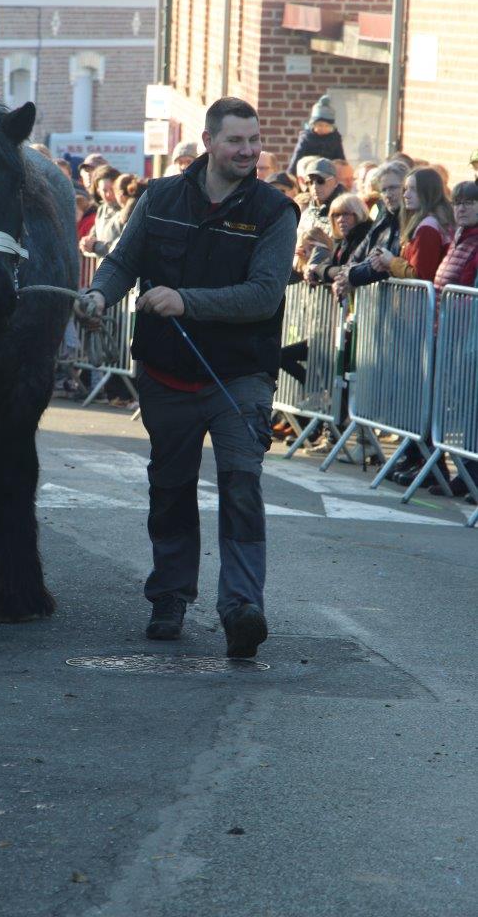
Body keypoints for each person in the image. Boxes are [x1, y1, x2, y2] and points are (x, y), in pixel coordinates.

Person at [75, 96, 298, 659]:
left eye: (254, 140)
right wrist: (100, 293)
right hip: (166, 373)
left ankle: (242, 608)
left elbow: (264, 294)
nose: (247, 151)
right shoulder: (161, 197)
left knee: (241, 484)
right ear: (209, 143)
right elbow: (124, 262)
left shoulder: (275, 211)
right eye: (235, 141)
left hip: (240, 376)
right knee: (170, 488)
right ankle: (169, 597)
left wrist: (184, 300)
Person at [429, 181, 478, 500]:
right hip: (449, 333)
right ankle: (465, 473)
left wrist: (451, 311)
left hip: (466, 335)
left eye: (469, 203)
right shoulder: (460, 238)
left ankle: (473, 476)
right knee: (457, 408)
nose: (461, 208)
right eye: (457, 202)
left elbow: (468, 290)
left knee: (469, 409)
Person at [332, 159, 409, 295]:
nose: (388, 195)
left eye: (393, 188)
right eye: (384, 190)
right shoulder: (383, 218)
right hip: (374, 304)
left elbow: (384, 263)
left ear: (405, 187)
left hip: (400, 301)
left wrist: (352, 276)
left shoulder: (408, 221)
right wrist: (345, 276)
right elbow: (359, 254)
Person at [370, 167, 452, 282]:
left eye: (413, 189)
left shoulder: (428, 227)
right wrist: (386, 266)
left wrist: (392, 262)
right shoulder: (425, 222)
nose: (406, 195)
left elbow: (421, 275)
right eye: (405, 189)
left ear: (428, 191)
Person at [307, 193, 372, 284]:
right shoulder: (340, 241)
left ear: (358, 213)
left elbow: (351, 269)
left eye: (346, 214)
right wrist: (313, 272)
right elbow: (326, 264)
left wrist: (319, 270)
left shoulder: (367, 236)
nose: (340, 220)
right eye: (336, 215)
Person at [288, 95, 346, 175]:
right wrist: (291, 174)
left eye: (327, 126)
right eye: (320, 125)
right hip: (308, 171)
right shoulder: (307, 138)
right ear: (313, 125)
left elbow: (340, 158)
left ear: (331, 127)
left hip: (329, 172)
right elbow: (297, 157)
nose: (323, 128)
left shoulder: (335, 139)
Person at [296, 158, 345, 242]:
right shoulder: (305, 211)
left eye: (320, 181)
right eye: (310, 182)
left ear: (336, 182)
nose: (314, 187)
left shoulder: (344, 212)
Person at [78, 164, 120, 256]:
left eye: (112, 189)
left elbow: (122, 250)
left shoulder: (128, 211)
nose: (108, 194)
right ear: (98, 191)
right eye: (104, 190)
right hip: (103, 268)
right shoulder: (101, 210)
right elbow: (92, 237)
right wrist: (85, 243)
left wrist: (96, 246)